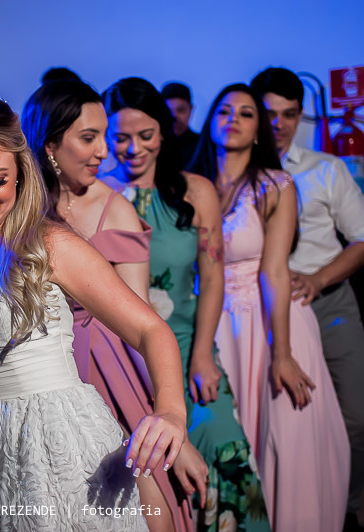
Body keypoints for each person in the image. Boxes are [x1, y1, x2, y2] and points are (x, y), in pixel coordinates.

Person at [0, 92, 194, 531]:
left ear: (20, 174)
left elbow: (151, 330)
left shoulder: (49, 243)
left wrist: (170, 412)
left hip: (55, 441)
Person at [22, 79, 209, 532]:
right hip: (41, 374)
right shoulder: (18, 208)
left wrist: (167, 419)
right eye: (89, 138)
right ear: (49, 145)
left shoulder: (117, 211)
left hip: (109, 368)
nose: (104, 152)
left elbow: (144, 323)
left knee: (138, 507)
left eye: (103, 136)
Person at [102, 77, 269, 532]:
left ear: (164, 133)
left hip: (188, 346)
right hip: (123, 360)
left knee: (225, 448)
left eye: (145, 135)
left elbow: (212, 278)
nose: (133, 148)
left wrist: (201, 356)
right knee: (149, 477)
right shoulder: (95, 196)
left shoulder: (196, 191)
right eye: (120, 137)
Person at [189, 82, 350, 531]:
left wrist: (282, 353)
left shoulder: (275, 185)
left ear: (259, 129)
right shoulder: (191, 184)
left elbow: (274, 271)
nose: (234, 119)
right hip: (210, 324)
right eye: (225, 110)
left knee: (282, 437)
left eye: (246, 113)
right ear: (212, 121)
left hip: (266, 320)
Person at [250, 67, 364, 531]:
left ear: (301, 116)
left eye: (290, 114)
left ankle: (343, 511)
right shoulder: (233, 170)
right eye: (269, 113)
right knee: (278, 425)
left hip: (327, 304)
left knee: (361, 419)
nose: (279, 123)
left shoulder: (326, 167)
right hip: (262, 312)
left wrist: (320, 280)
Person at [161, 83, 199, 170]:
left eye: (180, 110)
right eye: (168, 111)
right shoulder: (153, 145)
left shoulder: (202, 146)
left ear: (191, 109)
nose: (174, 116)